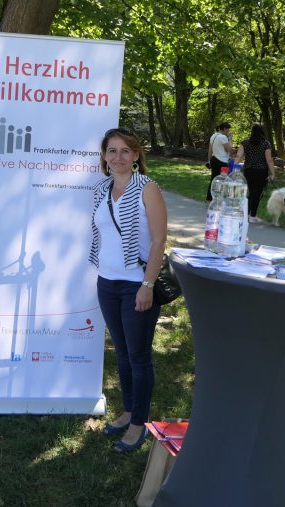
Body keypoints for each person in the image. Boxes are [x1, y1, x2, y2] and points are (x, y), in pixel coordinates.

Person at [90, 127, 167, 454]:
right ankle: (127, 410)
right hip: (106, 282)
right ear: (104, 156)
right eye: (112, 151)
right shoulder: (102, 188)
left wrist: (147, 285)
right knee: (121, 353)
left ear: (136, 155)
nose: (117, 157)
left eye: (124, 151)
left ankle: (139, 424)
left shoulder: (147, 188)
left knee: (138, 356)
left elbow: (159, 241)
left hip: (137, 283)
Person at [235, 123, 276, 223]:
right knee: (256, 194)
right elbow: (269, 160)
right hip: (261, 172)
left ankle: (246, 213)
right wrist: (273, 173)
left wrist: (234, 169)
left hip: (248, 171)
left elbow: (238, 156)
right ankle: (252, 216)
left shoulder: (245, 142)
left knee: (249, 193)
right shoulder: (266, 143)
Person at [205, 122, 232, 201]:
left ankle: (210, 198)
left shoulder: (213, 135)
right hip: (222, 162)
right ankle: (220, 199)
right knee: (224, 180)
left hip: (214, 159)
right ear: (224, 129)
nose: (228, 132)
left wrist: (209, 160)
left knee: (214, 180)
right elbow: (229, 150)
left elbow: (210, 149)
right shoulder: (223, 137)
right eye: (227, 130)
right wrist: (230, 139)